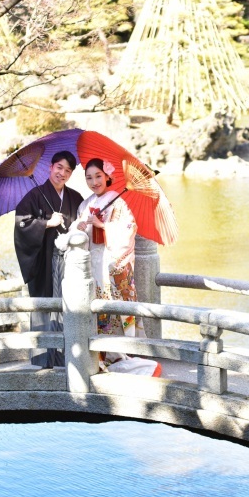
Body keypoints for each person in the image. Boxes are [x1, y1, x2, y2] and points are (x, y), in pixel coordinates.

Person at [72, 157, 160, 376]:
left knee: (118, 310)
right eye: (89, 178)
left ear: (107, 176)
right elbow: (79, 234)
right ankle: (104, 355)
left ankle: (125, 354)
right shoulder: (85, 204)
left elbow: (128, 229)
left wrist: (103, 225)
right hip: (93, 267)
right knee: (99, 312)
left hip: (113, 266)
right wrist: (80, 227)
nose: (94, 182)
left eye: (98, 176)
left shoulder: (119, 201)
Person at [14, 150, 83, 368]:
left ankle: (67, 360)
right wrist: (46, 223)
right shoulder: (34, 196)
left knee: (69, 308)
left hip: (68, 264)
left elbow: (82, 226)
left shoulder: (75, 198)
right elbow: (21, 225)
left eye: (68, 170)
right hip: (44, 263)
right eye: (59, 167)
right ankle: (42, 363)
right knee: (45, 309)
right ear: (51, 167)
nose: (62, 173)